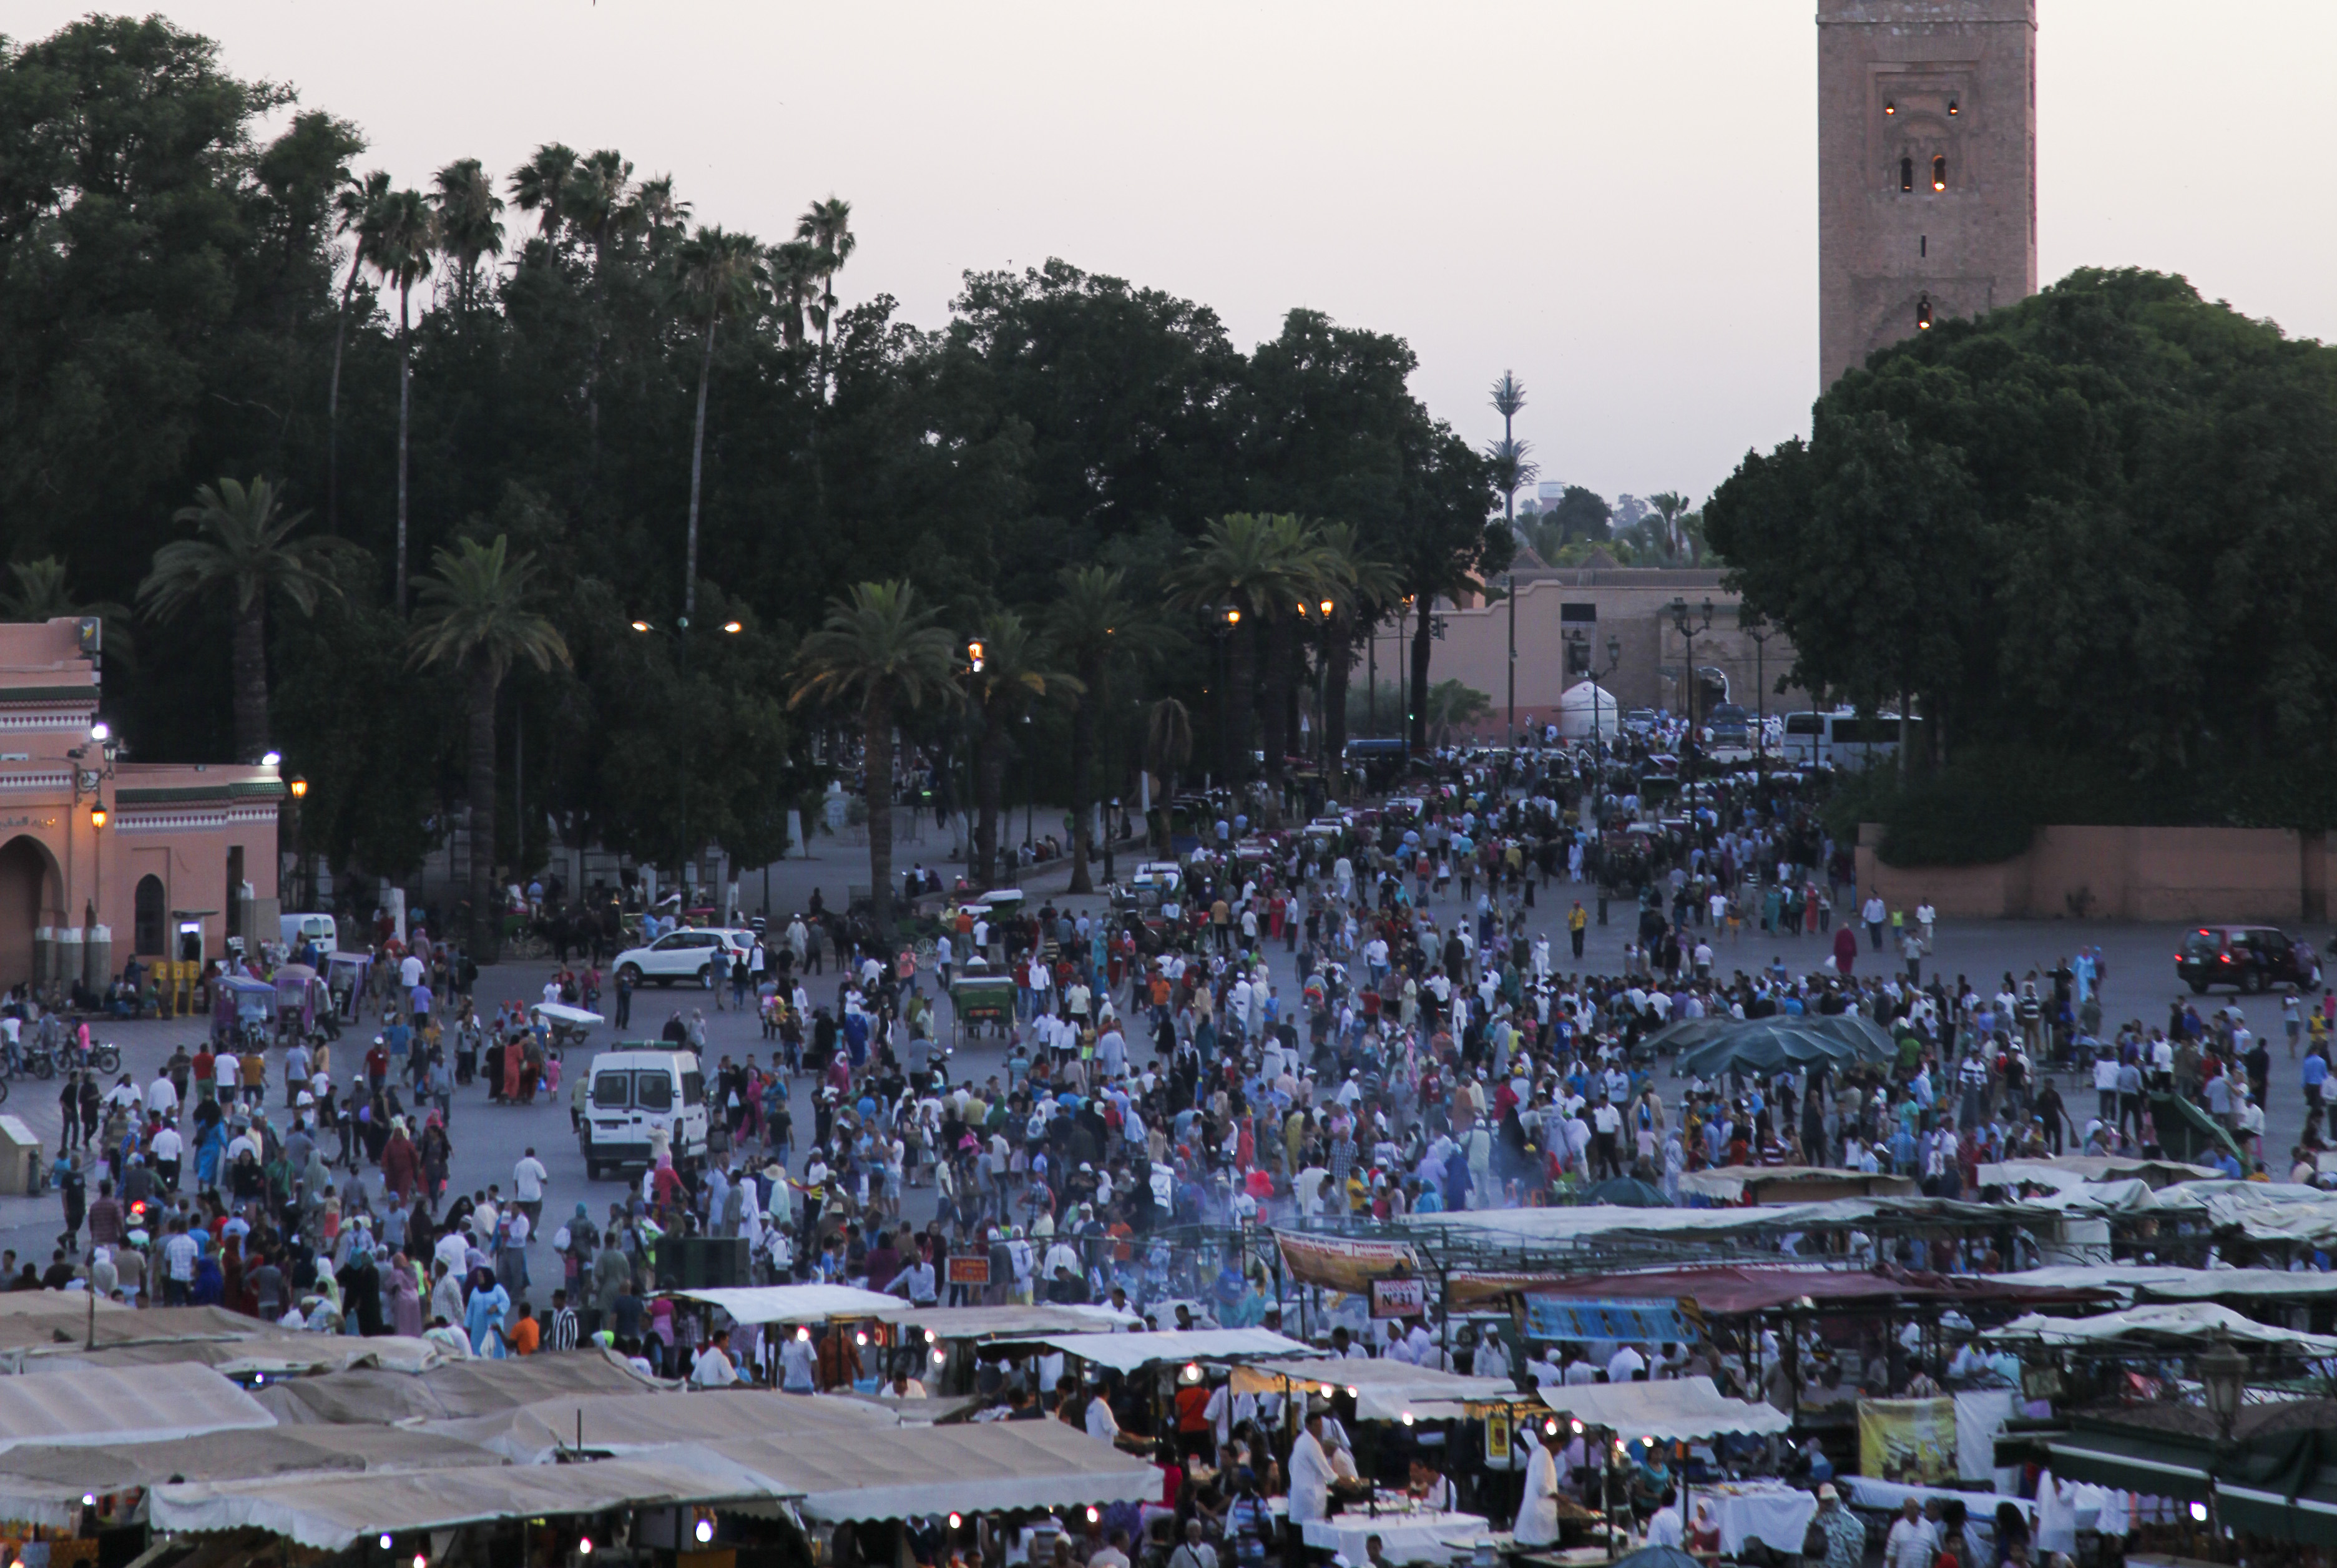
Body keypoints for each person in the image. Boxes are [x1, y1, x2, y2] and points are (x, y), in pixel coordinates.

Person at [1288, 1408, 1336, 1526]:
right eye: (1317, 1426)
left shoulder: (1300, 1441)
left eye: (1321, 1426)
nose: (1320, 1429)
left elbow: (1291, 1464)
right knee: (1311, 1532)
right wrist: (1340, 1480)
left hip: (1301, 1494)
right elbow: (1327, 1471)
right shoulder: (1311, 1443)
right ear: (1308, 1426)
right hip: (1309, 1497)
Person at [1514, 1424, 1560, 1547]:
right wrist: (1559, 1498)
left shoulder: (1538, 1454)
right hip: (1539, 1513)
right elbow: (1542, 1486)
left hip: (1535, 1512)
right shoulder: (1542, 1454)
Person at [1815, 1484, 1867, 1568]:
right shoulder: (1816, 1518)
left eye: (1831, 1499)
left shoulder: (1853, 1523)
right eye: (1826, 1500)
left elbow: (1856, 1553)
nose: (1829, 1502)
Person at [1886, 1499, 1939, 1568]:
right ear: (1905, 1509)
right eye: (1911, 1507)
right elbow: (1891, 1554)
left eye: (1916, 1507)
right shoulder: (1898, 1527)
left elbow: (1937, 1553)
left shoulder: (1929, 1527)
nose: (1914, 1510)